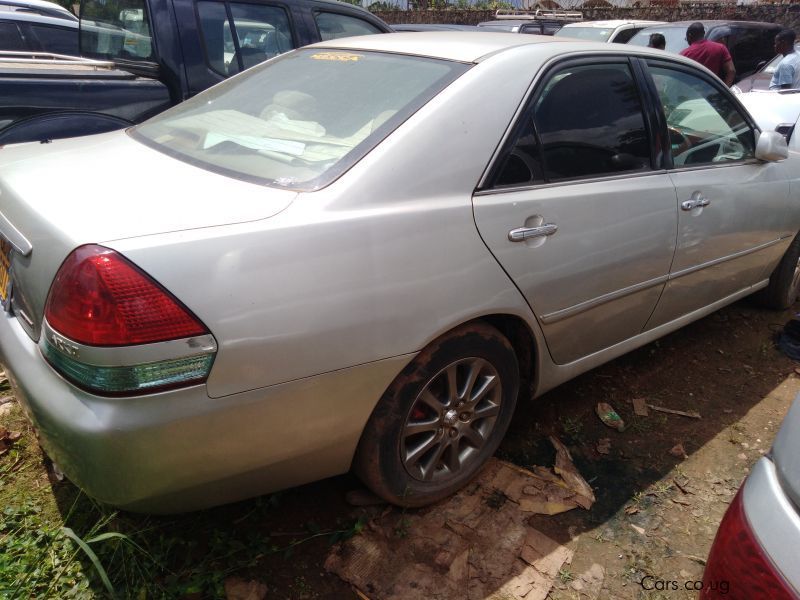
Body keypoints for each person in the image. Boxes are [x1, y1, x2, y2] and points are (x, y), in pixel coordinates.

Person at [679, 22, 735, 87]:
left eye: (686, 38)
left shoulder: (684, 55)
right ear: (703, 33)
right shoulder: (720, 48)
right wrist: (724, 89)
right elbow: (731, 71)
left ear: (689, 35)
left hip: (693, 93)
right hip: (713, 91)